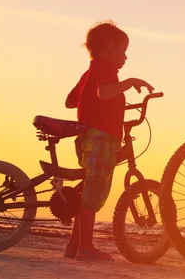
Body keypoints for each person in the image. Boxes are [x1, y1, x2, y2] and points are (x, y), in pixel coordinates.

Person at [64, 19, 154, 261]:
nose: (125, 58)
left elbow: (71, 101)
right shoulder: (106, 70)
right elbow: (104, 93)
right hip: (102, 136)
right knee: (94, 191)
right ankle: (86, 248)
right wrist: (129, 83)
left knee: (87, 189)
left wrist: (93, 99)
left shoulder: (90, 72)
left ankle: (74, 245)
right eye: (123, 51)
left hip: (86, 137)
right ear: (109, 49)